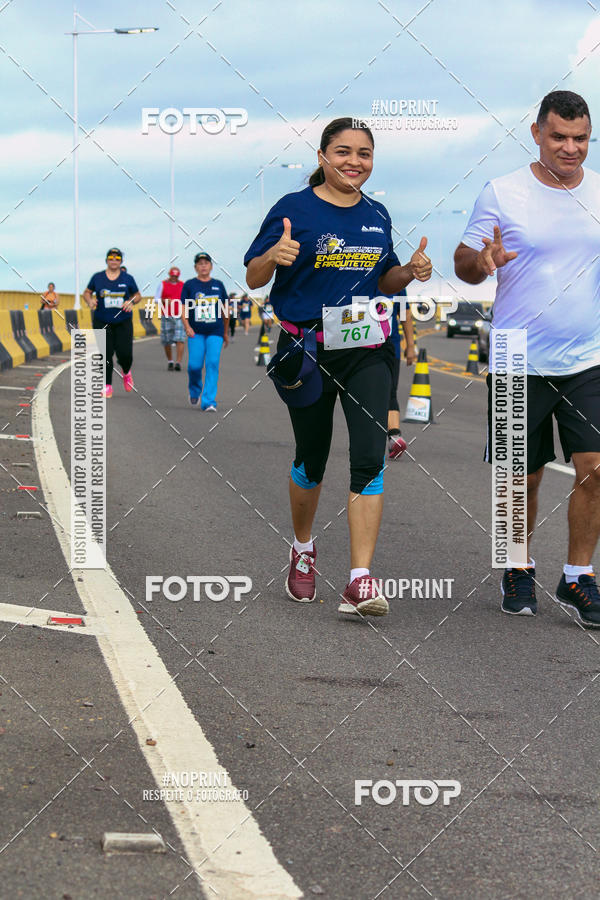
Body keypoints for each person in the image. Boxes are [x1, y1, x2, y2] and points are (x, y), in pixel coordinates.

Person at [244, 117, 432, 617]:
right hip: (306, 350)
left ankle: (360, 579)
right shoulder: (293, 209)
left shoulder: (376, 213)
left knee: (369, 455)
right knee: (313, 456)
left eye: (364, 154)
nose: (355, 162)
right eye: (344, 152)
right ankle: (303, 548)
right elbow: (253, 274)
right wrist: (274, 256)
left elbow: (386, 280)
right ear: (323, 156)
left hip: (368, 346)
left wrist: (409, 273)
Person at [455, 90, 600, 627]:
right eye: (559, 137)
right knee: (522, 477)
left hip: (589, 357)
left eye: (581, 138)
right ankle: (516, 565)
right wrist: (483, 260)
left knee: (596, 469)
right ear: (536, 132)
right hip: (518, 357)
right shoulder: (503, 192)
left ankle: (579, 576)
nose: (570, 148)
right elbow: (464, 262)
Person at [83, 248, 141, 398]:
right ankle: (107, 385)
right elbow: (87, 292)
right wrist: (90, 301)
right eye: (111, 258)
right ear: (106, 260)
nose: (114, 261)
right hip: (102, 320)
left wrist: (131, 301)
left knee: (125, 354)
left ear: (121, 261)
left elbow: (137, 295)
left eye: (117, 258)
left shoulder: (127, 278)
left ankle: (126, 371)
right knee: (105, 354)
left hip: (123, 321)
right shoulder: (98, 277)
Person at [181, 252, 229, 409]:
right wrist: (187, 326)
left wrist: (225, 332)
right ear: (195, 267)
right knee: (194, 366)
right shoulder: (189, 285)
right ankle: (195, 390)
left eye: (206, 263)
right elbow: (183, 308)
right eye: (200, 263)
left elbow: (225, 311)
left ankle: (208, 401)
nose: (203, 266)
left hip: (215, 330)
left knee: (212, 363)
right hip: (196, 331)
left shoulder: (219, 285)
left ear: (211, 266)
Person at [387, 290, 416, 459]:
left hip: (390, 346)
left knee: (390, 391)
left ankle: (394, 437)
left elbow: (404, 312)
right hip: (359, 347)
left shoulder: (395, 274)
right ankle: (392, 436)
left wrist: (410, 345)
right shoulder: (355, 270)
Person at [155, 266, 185, 370]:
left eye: (176, 276)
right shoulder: (162, 284)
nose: (174, 278)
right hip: (166, 315)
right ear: (169, 275)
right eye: (172, 276)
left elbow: (187, 299)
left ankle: (178, 362)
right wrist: (164, 301)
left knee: (180, 338)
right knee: (167, 340)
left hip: (180, 315)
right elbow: (156, 299)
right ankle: (170, 361)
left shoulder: (183, 285)